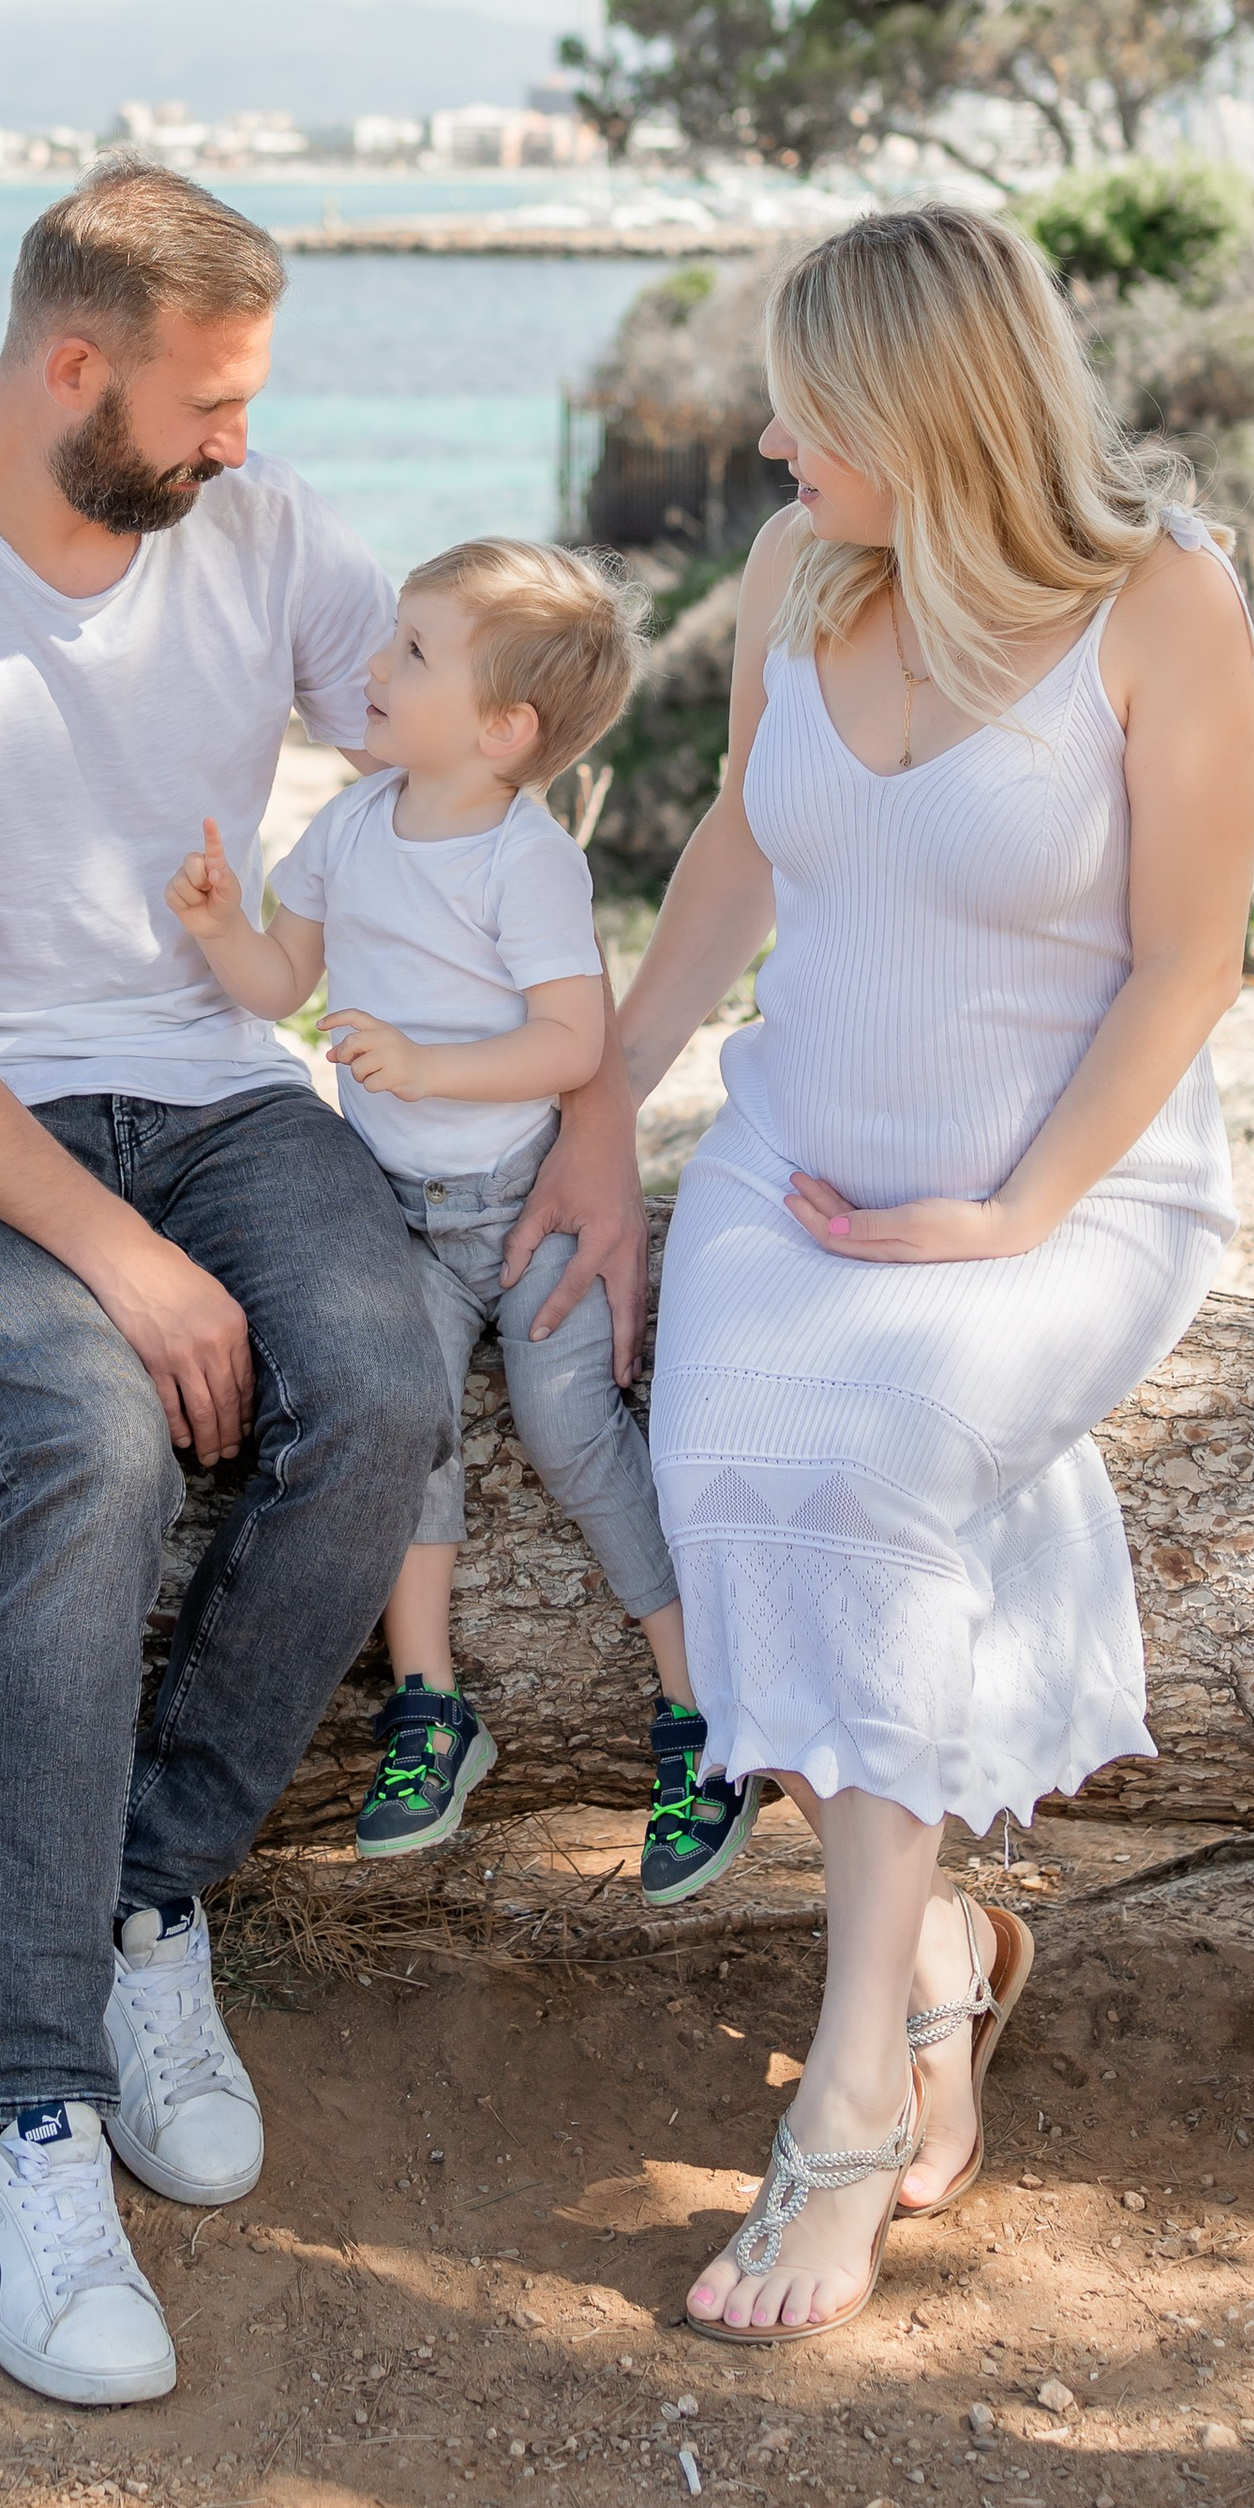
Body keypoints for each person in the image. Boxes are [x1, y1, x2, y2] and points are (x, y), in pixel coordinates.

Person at [0, 161, 477, 2411]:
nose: (241, 446)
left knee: (370, 1379)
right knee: (85, 1436)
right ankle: (21, 2113)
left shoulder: (250, 535)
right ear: (75, 368)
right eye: (208, 402)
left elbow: (458, 730)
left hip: (212, 1078)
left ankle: (152, 1892)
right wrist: (126, 1264)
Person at [610, 205, 1254, 2344]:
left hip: (1064, 1187)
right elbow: (732, 848)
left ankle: (847, 2120)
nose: (772, 440)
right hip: (798, 1163)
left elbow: (1188, 961)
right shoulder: (804, 573)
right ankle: (941, 1956)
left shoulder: (1156, 608)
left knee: (880, 1462)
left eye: (809, 405)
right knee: (717, 1473)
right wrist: (599, 1112)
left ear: (926, 408)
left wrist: (1010, 1217)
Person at [167, 537, 759, 1907]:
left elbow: (570, 1041)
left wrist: (431, 1070)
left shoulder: (525, 865)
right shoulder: (348, 830)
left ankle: (699, 1715)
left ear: (504, 731)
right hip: (392, 1211)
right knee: (408, 1428)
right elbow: (281, 979)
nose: (372, 670)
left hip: (524, 1199)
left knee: (568, 1428)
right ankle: (432, 1710)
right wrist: (216, 931)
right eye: (390, 643)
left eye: (412, 656)